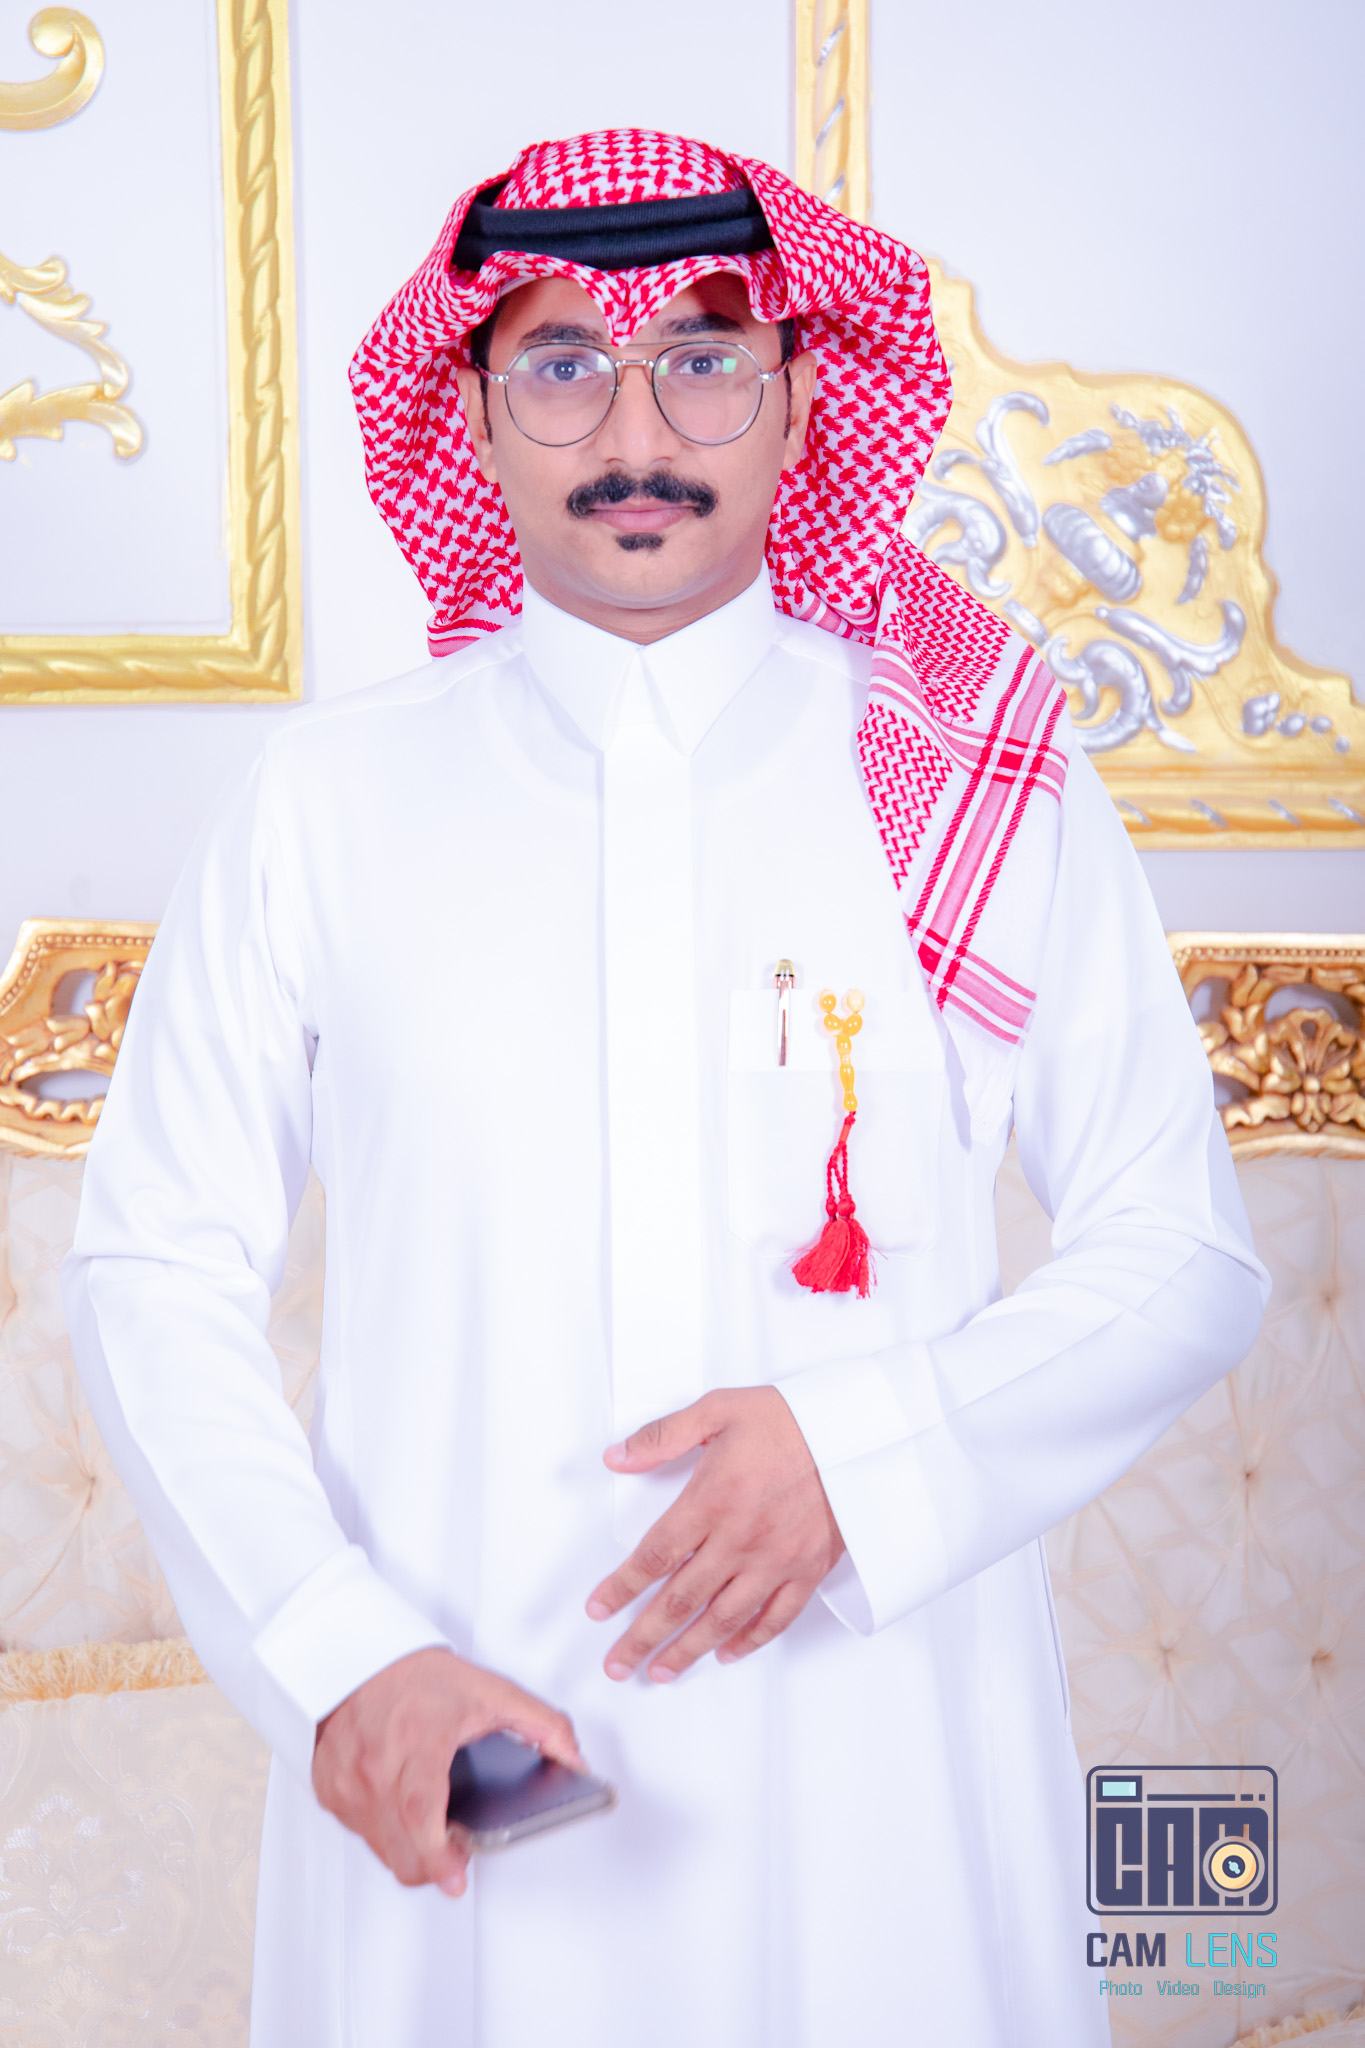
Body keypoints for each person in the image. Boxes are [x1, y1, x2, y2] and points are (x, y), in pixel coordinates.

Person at [65, 129, 1267, 2048]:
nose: (636, 433)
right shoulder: (323, 804)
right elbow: (153, 1272)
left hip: (878, 1767)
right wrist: (336, 1656)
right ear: (472, 410)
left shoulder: (970, 779)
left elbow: (1181, 1251)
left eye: (702, 359)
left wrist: (866, 1457)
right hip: (455, 1766)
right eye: (562, 365)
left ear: (798, 396)